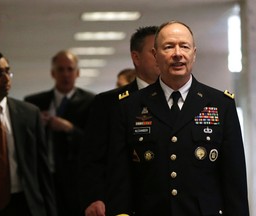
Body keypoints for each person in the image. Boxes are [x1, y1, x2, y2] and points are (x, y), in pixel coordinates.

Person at [115, 20, 249, 215]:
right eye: (168, 47)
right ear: (155, 55)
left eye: (184, 46)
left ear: (193, 54)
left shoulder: (221, 104)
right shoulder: (131, 106)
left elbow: (234, 179)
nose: (177, 54)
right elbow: (120, 178)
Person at [78, 26, 160, 216]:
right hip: (125, 204)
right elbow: (92, 159)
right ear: (136, 58)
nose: (162, 56)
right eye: (154, 51)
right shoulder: (109, 103)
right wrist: (94, 197)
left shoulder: (180, 100)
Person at [0, 49, 57, 216]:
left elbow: (42, 169)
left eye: (8, 71)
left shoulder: (30, 114)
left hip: (25, 204)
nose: (6, 78)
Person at [24, 50, 95, 216]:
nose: (65, 74)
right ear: (52, 73)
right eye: (61, 69)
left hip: (76, 179)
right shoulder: (34, 103)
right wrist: (35, 124)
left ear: (77, 73)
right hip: (44, 177)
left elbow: (94, 143)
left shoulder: (91, 102)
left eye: (70, 69)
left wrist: (69, 128)